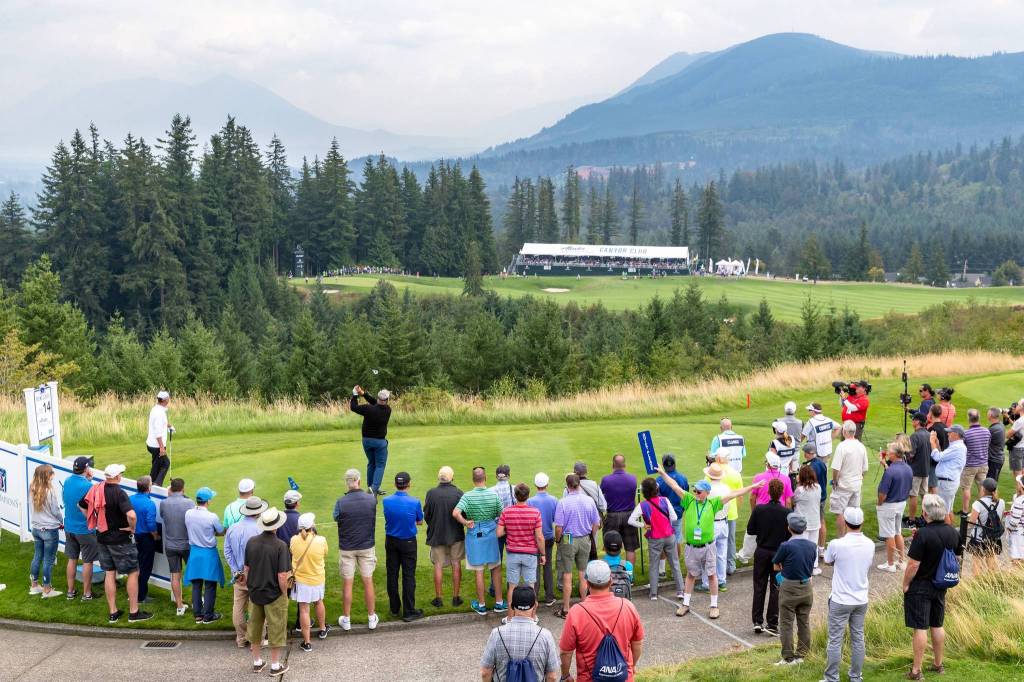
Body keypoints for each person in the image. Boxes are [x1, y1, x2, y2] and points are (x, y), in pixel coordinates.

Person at [657, 473, 762, 619]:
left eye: (699, 491)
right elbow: (674, 486)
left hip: (708, 546)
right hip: (692, 547)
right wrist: (662, 473)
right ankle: (685, 604)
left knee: (712, 575)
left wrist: (753, 486)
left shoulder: (713, 503)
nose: (696, 493)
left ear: (707, 493)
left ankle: (714, 606)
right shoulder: (689, 500)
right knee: (690, 575)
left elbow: (734, 494)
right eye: (695, 490)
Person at [79, 464, 151, 622]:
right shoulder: (119, 492)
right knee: (133, 572)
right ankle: (134, 612)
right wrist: (132, 528)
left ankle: (113, 612)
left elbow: (82, 505)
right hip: (120, 540)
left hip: (102, 538)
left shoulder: (96, 488)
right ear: (118, 476)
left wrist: (95, 521)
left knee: (109, 573)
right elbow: (131, 515)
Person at [903, 494, 961, 680]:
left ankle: (916, 671)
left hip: (921, 585)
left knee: (920, 628)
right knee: (937, 625)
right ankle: (938, 664)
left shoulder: (923, 534)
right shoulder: (953, 532)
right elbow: (958, 557)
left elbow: (913, 565)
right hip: (941, 584)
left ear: (924, 512)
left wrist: (905, 584)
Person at [558, 561, 644, 682]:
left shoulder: (576, 612)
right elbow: (637, 644)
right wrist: (631, 667)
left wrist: (565, 675)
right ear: (610, 581)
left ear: (587, 583)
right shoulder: (628, 607)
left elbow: (566, 652)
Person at [822, 507, 874, 682]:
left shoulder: (837, 544)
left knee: (835, 640)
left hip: (841, 599)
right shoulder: (870, 544)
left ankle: (831, 678)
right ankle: (856, 676)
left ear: (845, 522)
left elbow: (828, 560)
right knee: (858, 638)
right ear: (862, 523)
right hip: (861, 599)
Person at [245, 507, 292, 677]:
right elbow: (282, 576)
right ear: (276, 526)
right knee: (276, 629)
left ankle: (257, 662)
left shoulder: (251, 542)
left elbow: (246, 569)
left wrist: (251, 586)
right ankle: (275, 665)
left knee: (255, 628)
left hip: (255, 592)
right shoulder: (281, 546)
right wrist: (284, 593)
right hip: (274, 594)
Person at [453, 466, 505, 615]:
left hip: (474, 534)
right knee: (495, 568)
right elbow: (502, 514)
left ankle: (481, 605)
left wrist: (465, 522)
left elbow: (456, 513)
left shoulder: (467, 496)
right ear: (485, 478)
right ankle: (499, 602)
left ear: (473, 480)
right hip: (490, 534)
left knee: (479, 571)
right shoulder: (493, 495)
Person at [480, 585, 560, 682]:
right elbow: (552, 676)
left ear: (511, 605)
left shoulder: (496, 634)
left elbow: (485, 672)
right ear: (535, 605)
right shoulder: (545, 636)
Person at [333, 468, 379, 631]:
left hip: (347, 548)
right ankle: (371, 617)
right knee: (368, 581)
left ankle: (346, 619)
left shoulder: (341, 502)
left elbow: (336, 517)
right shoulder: (370, 499)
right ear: (358, 481)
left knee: (348, 583)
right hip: (366, 546)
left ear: (347, 483)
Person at [553, 474, 602, 618]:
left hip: (568, 537)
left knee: (567, 574)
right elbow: (596, 523)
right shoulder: (589, 501)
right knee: (583, 573)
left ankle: (566, 609)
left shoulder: (563, 502)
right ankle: (585, 606)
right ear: (579, 484)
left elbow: (558, 527)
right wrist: (590, 536)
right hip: (584, 537)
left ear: (567, 486)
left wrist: (558, 541)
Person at [628, 477, 682, 603]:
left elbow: (631, 520)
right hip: (669, 536)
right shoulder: (665, 500)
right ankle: (680, 591)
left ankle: (653, 593)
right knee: (675, 563)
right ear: (657, 489)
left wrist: (644, 525)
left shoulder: (642, 505)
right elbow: (673, 517)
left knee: (654, 565)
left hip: (654, 538)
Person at [747, 478, 790, 634]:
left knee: (759, 585)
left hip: (762, 551)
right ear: (781, 493)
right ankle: (772, 622)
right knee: (776, 587)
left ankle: (757, 620)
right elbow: (788, 534)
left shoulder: (759, 510)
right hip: (778, 553)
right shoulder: (787, 513)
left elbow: (751, 530)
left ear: (769, 492)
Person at [224, 496, 268, 647]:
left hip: (239, 576)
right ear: (258, 512)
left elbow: (227, 552)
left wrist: (236, 570)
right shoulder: (260, 529)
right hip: (257, 576)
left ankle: (241, 638)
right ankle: (257, 639)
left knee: (238, 607)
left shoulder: (233, 528)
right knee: (258, 607)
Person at [772, 513, 816, 666]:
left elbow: (776, 565)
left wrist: (780, 580)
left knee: (786, 623)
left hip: (790, 587)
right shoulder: (812, 545)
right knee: (804, 622)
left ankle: (788, 657)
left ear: (789, 528)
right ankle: (802, 655)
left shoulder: (786, 546)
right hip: (807, 586)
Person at [498, 482, 545, 616]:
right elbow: (539, 537)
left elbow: (499, 533)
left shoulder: (506, 511)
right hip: (530, 554)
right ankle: (532, 616)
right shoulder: (535, 512)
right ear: (528, 496)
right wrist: (543, 554)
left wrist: (511, 528)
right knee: (531, 587)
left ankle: (510, 617)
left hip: (513, 554)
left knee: (512, 587)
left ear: (515, 495)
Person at [383, 471, 424, 621]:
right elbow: (420, 521)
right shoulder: (414, 502)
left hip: (391, 541)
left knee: (392, 574)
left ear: (395, 484)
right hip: (408, 542)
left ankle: (394, 608)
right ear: (409, 484)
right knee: (408, 576)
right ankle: (408, 611)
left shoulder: (386, 501)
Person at [424, 465, 465, 608]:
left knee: (438, 565)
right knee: (456, 563)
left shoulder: (431, 493)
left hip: (437, 534)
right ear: (452, 477)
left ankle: (438, 598)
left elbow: (427, 516)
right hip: (455, 534)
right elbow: (463, 515)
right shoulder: (458, 493)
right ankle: (455, 597)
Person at [184, 486, 225, 624]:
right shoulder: (212, 516)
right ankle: (208, 615)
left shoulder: (188, 513)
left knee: (196, 584)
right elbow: (220, 530)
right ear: (208, 501)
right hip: (208, 553)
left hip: (195, 552)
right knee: (210, 585)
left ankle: (198, 615)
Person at [290, 512, 329, 651]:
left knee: (304, 609)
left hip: (301, 580)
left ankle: (307, 642)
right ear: (311, 526)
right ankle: (323, 629)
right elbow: (325, 553)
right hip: (317, 578)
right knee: (318, 602)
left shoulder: (294, 540)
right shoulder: (321, 540)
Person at [158, 478, 195, 616]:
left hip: (170, 546)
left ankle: (179, 606)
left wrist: (170, 495)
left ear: (171, 489)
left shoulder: (164, 503)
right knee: (193, 574)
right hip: (186, 545)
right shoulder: (189, 502)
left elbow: (162, 515)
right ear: (183, 488)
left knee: (175, 575)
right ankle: (197, 601)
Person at [63, 456, 97, 601]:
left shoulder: (67, 481)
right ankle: (87, 593)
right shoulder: (89, 486)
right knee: (87, 561)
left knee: (72, 559)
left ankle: (70, 592)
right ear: (86, 469)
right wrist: (90, 481)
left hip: (70, 527)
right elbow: (93, 507)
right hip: (84, 529)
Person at [876, 438, 913, 572]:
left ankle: (891, 564)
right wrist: (885, 465)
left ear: (894, 454)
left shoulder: (891, 471)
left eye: (890, 452)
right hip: (901, 503)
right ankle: (901, 561)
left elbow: (883, 494)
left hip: (889, 505)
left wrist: (879, 503)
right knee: (897, 531)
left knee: (889, 534)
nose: (888, 453)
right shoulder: (907, 468)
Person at [28, 464, 63, 598]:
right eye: (52, 472)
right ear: (47, 475)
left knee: (37, 557)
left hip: (36, 528)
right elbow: (55, 511)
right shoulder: (49, 491)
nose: (53, 474)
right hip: (49, 529)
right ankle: (47, 589)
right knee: (48, 560)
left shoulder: (32, 488)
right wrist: (61, 520)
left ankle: (34, 586)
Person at [600, 454, 640, 567]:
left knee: (610, 546)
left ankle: (612, 573)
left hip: (612, 516)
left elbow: (600, 496)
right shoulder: (633, 478)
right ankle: (629, 575)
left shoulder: (606, 480)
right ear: (625, 465)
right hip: (629, 516)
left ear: (613, 465)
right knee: (630, 548)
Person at [351, 385, 392, 495]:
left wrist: (355, 394)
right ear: (387, 400)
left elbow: (353, 407)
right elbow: (375, 403)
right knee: (380, 465)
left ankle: (371, 487)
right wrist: (363, 393)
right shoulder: (388, 409)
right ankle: (373, 489)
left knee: (371, 463)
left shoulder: (368, 409)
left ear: (379, 398)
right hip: (379, 442)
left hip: (367, 441)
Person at [708, 451, 744, 576]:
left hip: (714, 513)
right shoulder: (735, 474)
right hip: (731, 510)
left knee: (713, 542)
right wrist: (736, 508)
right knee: (730, 540)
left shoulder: (711, 471)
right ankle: (730, 566)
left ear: (718, 458)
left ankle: (715, 570)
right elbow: (740, 496)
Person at [699, 463, 733, 592]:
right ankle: (722, 580)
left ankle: (707, 583)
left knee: (707, 554)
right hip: (723, 522)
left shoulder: (707, 490)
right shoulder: (726, 488)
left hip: (711, 524)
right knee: (721, 553)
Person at [830, 421, 868, 536]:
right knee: (854, 513)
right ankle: (852, 538)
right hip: (856, 485)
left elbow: (836, 468)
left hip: (843, 485)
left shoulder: (842, 446)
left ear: (844, 431)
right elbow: (865, 469)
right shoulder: (861, 446)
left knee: (840, 512)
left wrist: (835, 481)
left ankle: (842, 539)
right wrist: (859, 479)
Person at [529, 472, 560, 607]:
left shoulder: (530, 501)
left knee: (535, 567)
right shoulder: (553, 500)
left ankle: (534, 597)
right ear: (546, 484)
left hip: (535, 538)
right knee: (547, 566)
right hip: (548, 537)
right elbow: (555, 519)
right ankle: (549, 596)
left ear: (536, 485)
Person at [568, 461, 607, 562]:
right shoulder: (594, 485)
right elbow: (603, 507)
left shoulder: (569, 486)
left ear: (574, 472)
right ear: (586, 472)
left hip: (574, 526)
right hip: (592, 524)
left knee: (572, 552)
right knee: (592, 550)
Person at [965, 477, 1004, 576]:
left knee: (976, 562)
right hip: (993, 536)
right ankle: (993, 582)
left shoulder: (977, 504)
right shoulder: (1001, 502)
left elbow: (971, 523)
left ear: (983, 489)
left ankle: (978, 585)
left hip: (979, 537)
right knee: (991, 560)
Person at [656, 454, 689, 570]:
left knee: (662, 540)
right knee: (677, 539)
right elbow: (686, 496)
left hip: (664, 515)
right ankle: (676, 566)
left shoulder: (659, 480)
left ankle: (662, 570)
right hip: (678, 514)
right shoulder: (683, 478)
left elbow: (657, 500)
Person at [129, 475, 158, 603]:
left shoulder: (130, 499)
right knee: (145, 567)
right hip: (145, 538)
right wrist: (156, 536)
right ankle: (141, 596)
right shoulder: (150, 504)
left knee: (135, 566)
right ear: (149, 488)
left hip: (133, 537)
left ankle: (135, 593)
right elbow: (151, 524)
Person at [931, 424, 967, 520]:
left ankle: (948, 534)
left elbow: (937, 457)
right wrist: (937, 444)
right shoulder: (957, 446)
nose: (947, 435)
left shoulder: (957, 447)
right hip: (949, 482)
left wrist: (932, 443)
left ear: (956, 434)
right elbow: (943, 456)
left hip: (946, 483)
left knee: (943, 512)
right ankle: (951, 532)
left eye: (949, 433)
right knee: (948, 509)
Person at [791, 464, 822, 576]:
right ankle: (813, 567)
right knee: (813, 545)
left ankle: (802, 567)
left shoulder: (800, 490)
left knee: (801, 546)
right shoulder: (818, 487)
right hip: (814, 521)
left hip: (803, 523)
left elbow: (793, 501)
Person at [960, 409, 992, 515]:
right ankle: (983, 509)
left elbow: (963, 448)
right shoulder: (987, 431)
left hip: (970, 465)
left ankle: (965, 511)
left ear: (969, 418)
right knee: (982, 488)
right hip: (983, 464)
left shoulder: (966, 434)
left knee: (966, 488)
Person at [800, 443, 829, 557]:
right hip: (822, 496)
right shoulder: (822, 463)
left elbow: (807, 483)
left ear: (807, 454)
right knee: (821, 521)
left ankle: (814, 550)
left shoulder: (811, 467)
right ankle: (821, 549)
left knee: (814, 523)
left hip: (814, 498)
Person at [907, 411, 934, 522]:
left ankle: (911, 519)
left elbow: (911, 454)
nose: (912, 421)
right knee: (925, 495)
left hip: (915, 470)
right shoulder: (929, 434)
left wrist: (905, 452)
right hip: (926, 470)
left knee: (913, 495)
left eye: (913, 419)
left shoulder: (915, 435)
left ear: (918, 422)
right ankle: (927, 518)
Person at [146, 390, 172, 486]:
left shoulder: (156, 409)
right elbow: (157, 432)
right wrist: (161, 447)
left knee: (156, 466)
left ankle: (150, 484)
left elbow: (158, 424)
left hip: (152, 444)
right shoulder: (160, 413)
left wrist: (167, 425)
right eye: (168, 398)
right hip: (157, 446)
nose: (169, 400)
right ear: (165, 400)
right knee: (165, 463)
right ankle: (157, 485)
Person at [770, 421, 800, 486]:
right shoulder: (792, 439)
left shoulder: (775, 443)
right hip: (786, 471)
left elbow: (772, 460)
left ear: (776, 430)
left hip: (776, 472)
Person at [1006, 475, 1024, 565]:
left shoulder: (1020, 501)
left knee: (1016, 561)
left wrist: (1008, 528)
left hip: (1018, 535)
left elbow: (1014, 522)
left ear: (1021, 486)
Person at [986, 406, 1007, 482]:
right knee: (991, 484)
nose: (987, 414)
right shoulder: (1000, 424)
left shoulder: (994, 429)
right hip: (996, 459)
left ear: (991, 415)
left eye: (988, 413)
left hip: (994, 460)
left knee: (991, 484)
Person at [1008, 400, 1024, 479]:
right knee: (1021, 471)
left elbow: (1008, 435)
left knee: (1017, 474)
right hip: (1022, 447)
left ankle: (1020, 491)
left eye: (1018, 405)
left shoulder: (1020, 421)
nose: (1016, 407)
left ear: (1021, 408)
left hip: (1017, 449)